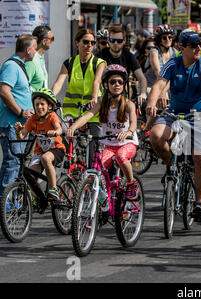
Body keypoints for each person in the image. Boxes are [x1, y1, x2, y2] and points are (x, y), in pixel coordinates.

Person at [146, 30, 201, 222]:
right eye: (193, 45)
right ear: (181, 47)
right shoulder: (173, 63)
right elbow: (159, 85)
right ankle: (173, 165)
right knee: (155, 136)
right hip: (175, 113)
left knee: (198, 156)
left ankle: (200, 203)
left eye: (199, 45)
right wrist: (151, 104)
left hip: (199, 115)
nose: (198, 48)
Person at [66, 64, 140, 200]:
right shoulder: (102, 102)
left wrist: (129, 131)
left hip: (127, 143)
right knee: (97, 167)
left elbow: (134, 123)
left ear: (124, 85)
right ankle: (103, 201)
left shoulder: (129, 104)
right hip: (109, 145)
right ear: (106, 85)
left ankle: (131, 183)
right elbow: (87, 116)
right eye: (112, 82)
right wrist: (72, 128)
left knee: (121, 156)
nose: (116, 85)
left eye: (120, 82)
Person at [52, 28, 106, 167]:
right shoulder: (69, 62)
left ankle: (94, 175)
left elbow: (97, 81)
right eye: (86, 42)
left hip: (92, 111)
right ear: (77, 42)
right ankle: (70, 168)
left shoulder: (99, 62)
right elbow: (59, 82)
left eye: (92, 43)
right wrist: (49, 98)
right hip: (72, 111)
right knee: (66, 140)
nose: (89, 45)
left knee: (94, 146)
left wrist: (94, 97)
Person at [0, 35, 36, 198]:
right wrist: (20, 112)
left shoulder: (19, 66)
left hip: (19, 125)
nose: (35, 52)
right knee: (12, 163)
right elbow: (4, 91)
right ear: (28, 50)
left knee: (16, 163)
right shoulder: (11, 66)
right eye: (34, 48)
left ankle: (10, 203)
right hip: (11, 123)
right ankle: (5, 205)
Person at [14, 89, 65, 201]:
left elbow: (59, 128)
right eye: (37, 104)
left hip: (56, 149)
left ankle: (53, 188)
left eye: (42, 104)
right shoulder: (33, 119)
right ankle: (37, 198)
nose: (39, 107)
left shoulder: (52, 116)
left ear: (50, 106)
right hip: (40, 152)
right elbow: (21, 137)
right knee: (30, 175)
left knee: (46, 158)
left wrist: (55, 132)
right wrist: (18, 131)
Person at [98, 24, 147, 106]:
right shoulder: (100, 55)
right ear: (108, 40)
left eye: (119, 41)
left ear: (124, 41)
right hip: (103, 97)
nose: (116, 43)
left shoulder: (129, 56)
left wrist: (143, 93)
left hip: (122, 98)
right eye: (112, 40)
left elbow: (142, 78)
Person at [147, 24, 177, 109]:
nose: (168, 40)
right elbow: (158, 73)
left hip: (167, 86)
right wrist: (162, 92)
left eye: (170, 37)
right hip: (151, 85)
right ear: (159, 40)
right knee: (160, 103)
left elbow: (173, 76)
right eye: (164, 38)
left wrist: (163, 91)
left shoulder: (174, 53)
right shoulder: (154, 52)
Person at [27, 25, 54, 92]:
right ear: (44, 41)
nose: (52, 42)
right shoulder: (31, 60)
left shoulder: (41, 58)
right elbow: (24, 86)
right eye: (52, 39)